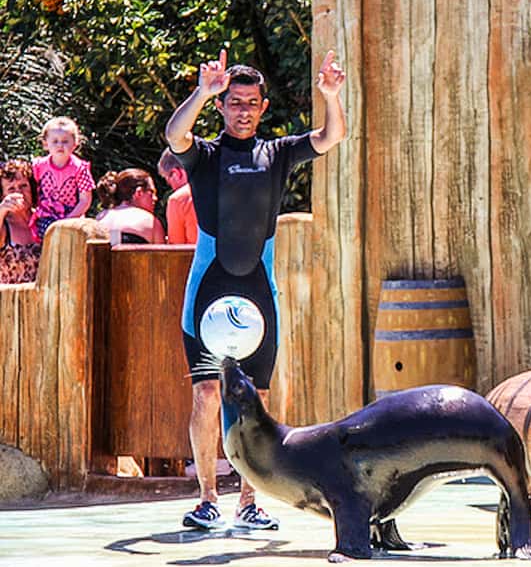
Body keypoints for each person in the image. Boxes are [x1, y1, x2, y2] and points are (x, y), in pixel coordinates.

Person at [165, 48, 346, 531]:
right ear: (223, 107)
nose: (243, 110)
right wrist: (203, 91)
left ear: (263, 107)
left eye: (251, 103)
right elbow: (174, 135)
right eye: (234, 102)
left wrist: (330, 96)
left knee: (257, 398)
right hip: (208, 292)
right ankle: (206, 497)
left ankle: (250, 499)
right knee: (206, 394)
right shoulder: (204, 156)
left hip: (258, 295)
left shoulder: (279, 153)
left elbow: (333, 137)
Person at [31, 116, 93, 242]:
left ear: (75, 144)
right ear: (45, 144)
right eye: (55, 141)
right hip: (46, 216)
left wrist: (67, 220)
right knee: (50, 237)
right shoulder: (38, 166)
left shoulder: (80, 168)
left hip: (72, 217)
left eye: (65, 141)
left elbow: (85, 200)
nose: (60, 145)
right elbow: (32, 192)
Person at [95, 168, 166, 244]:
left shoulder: (99, 219)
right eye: (151, 193)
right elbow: (164, 255)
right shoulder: (151, 222)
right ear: (139, 192)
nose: (155, 198)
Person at [0, 159, 42, 284]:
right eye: (11, 189)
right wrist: (2, 210)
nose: (19, 192)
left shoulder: (44, 218)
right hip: (11, 301)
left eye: (23, 186)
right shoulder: (4, 224)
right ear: (3, 195)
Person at [157, 150, 198, 244]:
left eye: (168, 180)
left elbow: (176, 248)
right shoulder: (230, 187)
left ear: (176, 173)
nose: (171, 186)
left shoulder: (179, 199)